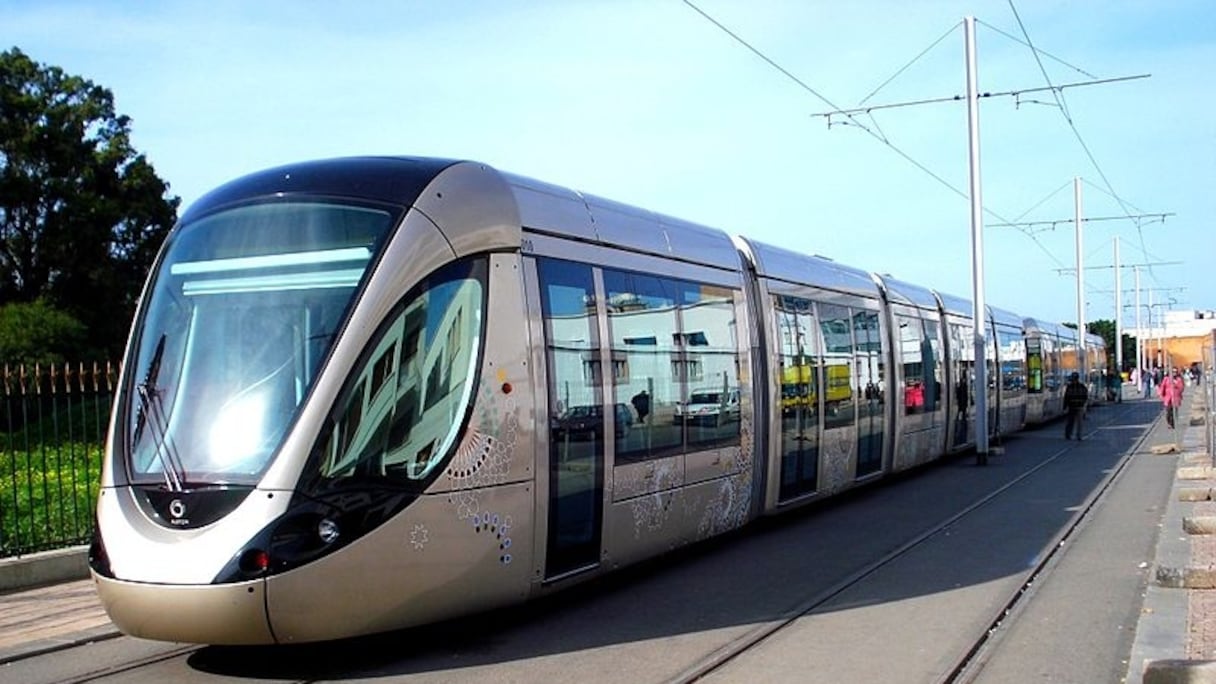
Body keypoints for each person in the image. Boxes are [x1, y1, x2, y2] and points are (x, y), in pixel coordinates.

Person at [1063, 372, 1088, 440]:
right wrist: (1083, 403)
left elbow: (1066, 397)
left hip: (1072, 406)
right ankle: (1078, 435)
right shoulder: (1082, 386)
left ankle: (1069, 434)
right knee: (1078, 422)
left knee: (1071, 422)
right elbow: (1085, 396)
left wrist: (1065, 406)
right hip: (1078, 406)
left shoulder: (1070, 387)